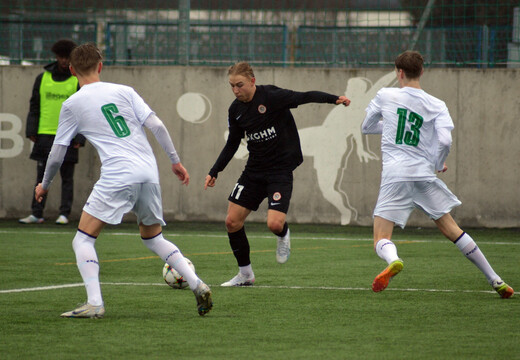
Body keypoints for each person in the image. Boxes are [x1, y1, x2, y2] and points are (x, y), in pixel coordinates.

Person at [34, 43, 213, 317]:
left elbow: (58, 152)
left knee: (82, 240)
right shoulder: (125, 91)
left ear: (71, 70)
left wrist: (44, 184)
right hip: (148, 173)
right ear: (101, 66)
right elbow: (157, 126)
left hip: (118, 174)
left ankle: (94, 304)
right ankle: (197, 283)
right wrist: (175, 161)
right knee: (153, 239)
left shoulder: (72, 103)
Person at [362, 50, 514, 298]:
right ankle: (495, 279)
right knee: (453, 230)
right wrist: (438, 162)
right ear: (421, 72)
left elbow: (366, 127)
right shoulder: (437, 104)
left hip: (395, 175)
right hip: (423, 174)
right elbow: (444, 140)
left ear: (399, 73)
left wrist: (390, 124)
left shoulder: (386, 95)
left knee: (381, 236)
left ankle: (394, 259)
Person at [204, 61, 351, 287]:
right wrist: (215, 170)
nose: (235, 90)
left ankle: (283, 235)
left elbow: (304, 96)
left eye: (239, 85)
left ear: (252, 81)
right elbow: (233, 142)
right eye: (231, 86)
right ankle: (245, 274)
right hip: (253, 171)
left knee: (274, 224)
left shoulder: (272, 96)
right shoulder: (235, 110)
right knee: (232, 222)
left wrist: (334, 98)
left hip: (279, 172)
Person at [20, 39, 85, 225]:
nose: (64, 61)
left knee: (67, 177)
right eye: (61, 57)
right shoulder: (42, 78)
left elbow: (84, 110)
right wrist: (31, 130)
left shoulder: (77, 80)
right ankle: (36, 213)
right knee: (41, 177)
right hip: (44, 135)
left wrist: (80, 136)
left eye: (67, 57)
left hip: (69, 136)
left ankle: (64, 213)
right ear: (56, 57)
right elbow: (34, 106)